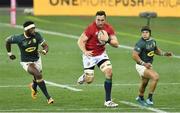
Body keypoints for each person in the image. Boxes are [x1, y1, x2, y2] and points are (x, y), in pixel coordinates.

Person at [77, 10, 119, 107]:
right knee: (89, 80)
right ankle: (85, 76)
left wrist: (108, 40)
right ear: (95, 19)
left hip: (101, 54)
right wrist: (85, 51)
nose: (100, 22)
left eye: (102, 20)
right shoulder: (91, 28)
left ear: (105, 20)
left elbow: (116, 44)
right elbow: (80, 41)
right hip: (90, 55)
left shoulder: (109, 28)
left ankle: (107, 101)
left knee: (109, 72)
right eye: (98, 20)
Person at [5, 21, 54, 104]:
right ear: (26, 30)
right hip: (26, 62)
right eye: (32, 29)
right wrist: (9, 53)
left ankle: (33, 87)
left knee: (37, 77)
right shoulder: (19, 38)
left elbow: (45, 45)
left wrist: (45, 51)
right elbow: (7, 41)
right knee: (38, 74)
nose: (34, 30)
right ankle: (49, 98)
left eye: (34, 28)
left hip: (37, 59)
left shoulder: (37, 35)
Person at [132, 26, 173, 106]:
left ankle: (140, 97)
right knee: (155, 77)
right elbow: (134, 55)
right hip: (141, 66)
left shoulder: (153, 41)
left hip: (148, 66)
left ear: (150, 33)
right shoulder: (140, 43)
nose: (144, 34)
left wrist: (164, 53)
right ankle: (149, 98)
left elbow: (155, 50)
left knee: (144, 82)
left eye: (146, 32)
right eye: (143, 33)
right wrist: (144, 63)